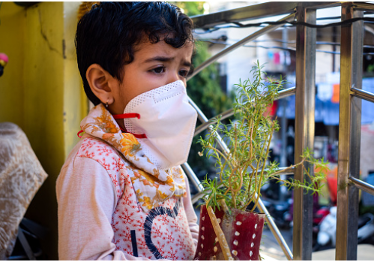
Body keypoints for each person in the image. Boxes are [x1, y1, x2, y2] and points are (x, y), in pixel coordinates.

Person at [56, 2, 199, 260]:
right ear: (103, 83)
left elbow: (188, 229)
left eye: (183, 72)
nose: (177, 86)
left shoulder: (167, 153)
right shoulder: (94, 163)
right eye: (158, 68)